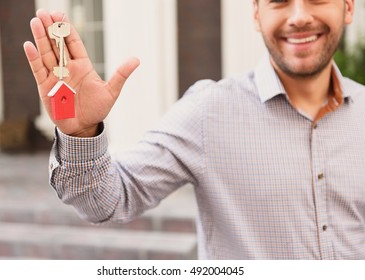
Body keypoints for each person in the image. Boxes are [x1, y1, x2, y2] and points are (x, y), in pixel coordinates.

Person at [24, 0, 365, 259]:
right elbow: (108, 201)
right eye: (279, 0)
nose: (299, 16)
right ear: (257, 14)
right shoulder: (208, 112)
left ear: (348, 7)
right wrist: (82, 133)